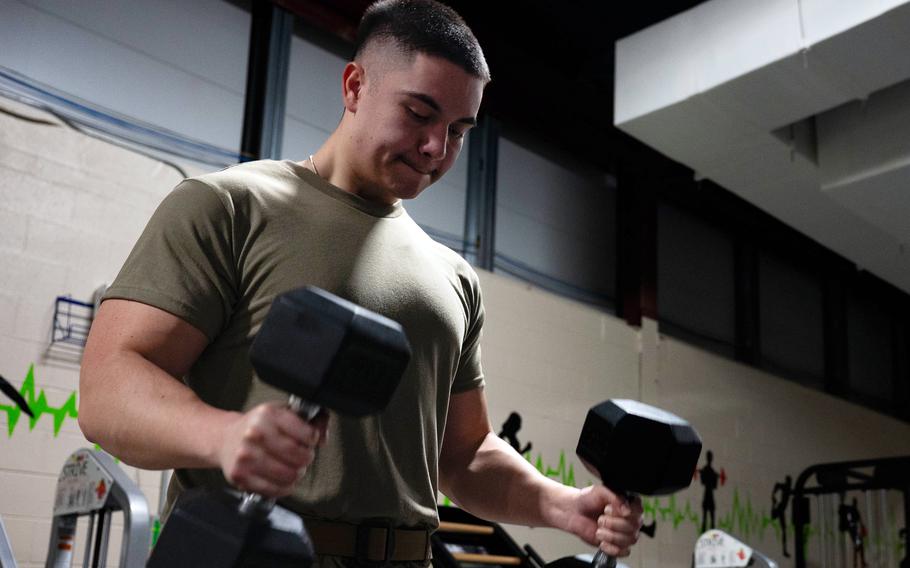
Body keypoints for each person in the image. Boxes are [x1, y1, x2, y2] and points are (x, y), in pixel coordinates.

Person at [78, 0, 643, 565]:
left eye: (458, 131)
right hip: (250, 553)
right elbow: (107, 390)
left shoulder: (453, 277)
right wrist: (221, 435)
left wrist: (559, 504)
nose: (436, 150)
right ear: (354, 86)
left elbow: (463, 454)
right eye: (420, 114)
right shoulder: (231, 206)